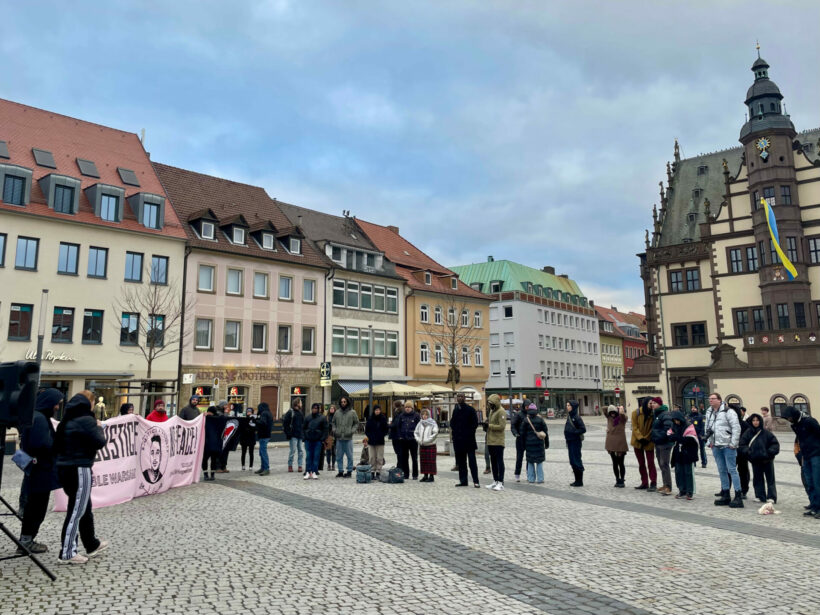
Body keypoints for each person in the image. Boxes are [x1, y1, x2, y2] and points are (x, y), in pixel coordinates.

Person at [54, 392, 108, 564]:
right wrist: (99, 426)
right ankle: (67, 552)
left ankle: (91, 543)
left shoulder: (67, 419)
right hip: (79, 468)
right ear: (89, 403)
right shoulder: (86, 420)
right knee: (76, 510)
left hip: (65, 467)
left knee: (83, 506)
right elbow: (99, 441)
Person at [16, 389, 62, 555]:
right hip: (40, 471)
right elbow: (42, 444)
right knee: (36, 507)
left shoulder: (36, 416)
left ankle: (27, 540)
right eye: (56, 403)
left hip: (38, 470)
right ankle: (26, 541)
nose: (57, 407)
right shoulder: (40, 419)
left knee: (35, 506)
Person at [704, 392, 744, 508]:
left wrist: (733, 443)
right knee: (721, 470)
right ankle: (726, 493)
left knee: (732, 470)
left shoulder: (728, 411)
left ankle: (738, 495)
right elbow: (707, 428)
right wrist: (709, 442)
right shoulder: (709, 412)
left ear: (719, 400)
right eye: (709, 398)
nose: (710, 400)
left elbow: (736, 428)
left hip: (727, 445)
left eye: (713, 398)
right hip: (716, 445)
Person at [781, 405, 820, 517]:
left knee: (817, 482)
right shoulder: (795, 425)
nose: (789, 420)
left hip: (816, 455)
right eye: (787, 418)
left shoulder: (810, 421)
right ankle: (814, 505)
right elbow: (799, 440)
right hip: (806, 456)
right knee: (809, 482)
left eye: (789, 417)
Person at [739, 412, 779, 503]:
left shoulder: (766, 433)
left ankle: (771, 497)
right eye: (753, 420)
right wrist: (749, 453)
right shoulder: (748, 433)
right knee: (757, 478)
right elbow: (742, 445)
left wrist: (769, 453)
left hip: (767, 460)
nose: (755, 422)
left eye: (757, 420)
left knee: (770, 479)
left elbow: (775, 444)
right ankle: (760, 495)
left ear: (760, 421)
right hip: (755, 459)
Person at [451, 392, 480, 488]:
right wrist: (455, 433)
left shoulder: (470, 410)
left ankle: (476, 481)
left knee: (472, 462)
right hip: (459, 441)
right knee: (461, 462)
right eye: (458, 396)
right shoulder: (455, 410)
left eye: (461, 396)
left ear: (464, 398)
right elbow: (452, 423)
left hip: (469, 440)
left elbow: (475, 424)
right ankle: (463, 481)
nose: (459, 398)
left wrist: (468, 433)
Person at [669, 410, 698, 500]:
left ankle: (689, 491)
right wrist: (677, 437)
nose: (676, 422)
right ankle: (682, 490)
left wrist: (678, 437)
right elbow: (670, 436)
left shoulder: (689, 426)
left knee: (688, 472)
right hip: (678, 451)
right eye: (674, 420)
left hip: (688, 452)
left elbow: (690, 439)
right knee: (679, 472)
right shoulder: (674, 426)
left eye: (677, 420)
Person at [631, 398, 657, 491]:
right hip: (637, 441)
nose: (651, 405)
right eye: (650, 403)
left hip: (648, 441)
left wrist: (646, 438)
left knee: (651, 463)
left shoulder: (653, 414)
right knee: (641, 463)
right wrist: (640, 438)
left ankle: (653, 482)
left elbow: (653, 428)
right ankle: (644, 482)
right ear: (645, 403)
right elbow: (634, 427)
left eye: (653, 403)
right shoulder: (636, 413)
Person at [649, 397, 674, 496]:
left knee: (664, 464)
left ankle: (668, 486)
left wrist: (659, 437)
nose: (652, 405)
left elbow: (668, 428)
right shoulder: (657, 414)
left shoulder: (665, 414)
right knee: (661, 464)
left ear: (659, 404)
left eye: (654, 403)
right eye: (652, 403)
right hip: (658, 443)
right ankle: (665, 484)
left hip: (665, 443)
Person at [520, 402, 549, 484]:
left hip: (529, 444)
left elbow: (522, 434)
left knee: (530, 461)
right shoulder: (540, 419)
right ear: (536, 410)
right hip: (539, 443)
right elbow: (546, 432)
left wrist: (523, 445)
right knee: (539, 462)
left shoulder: (526, 420)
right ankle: (540, 479)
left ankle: (531, 479)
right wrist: (546, 444)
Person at [485, 394, 507, 491]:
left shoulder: (501, 411)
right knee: (493, 461)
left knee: (499, 461)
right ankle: (495, 480)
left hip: (498, 441)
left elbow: (502, 427)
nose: (490, 406)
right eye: (489, 404)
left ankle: (501, 482)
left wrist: (490, 426)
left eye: (491, 404)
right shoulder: (491, 411)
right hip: (490, 440)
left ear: (496, 403)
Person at [333, 395, 358, 477]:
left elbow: (356, 423)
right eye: (342, 402)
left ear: (347, 402)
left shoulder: (352, 412)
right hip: (339, 437)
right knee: (339, 456)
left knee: (350, 456)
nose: (343, 403)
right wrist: (335, 430)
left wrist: (352, 431)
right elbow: (333, 422)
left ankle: (349, 471)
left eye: (344, 402)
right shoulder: (337, 412)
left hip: (348, 437)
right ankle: (340, 471)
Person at [395, 401, 421, 480]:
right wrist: (399, 436)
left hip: (413, 440)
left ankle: (415, 474)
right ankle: (406, 474)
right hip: (403, 440)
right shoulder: (401, 416)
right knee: (404, 458)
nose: (407, 409)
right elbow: (398, 426)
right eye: (406, 407)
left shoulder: (416, 415)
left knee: (414, 458)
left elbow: (419, 427)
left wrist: (417, 436)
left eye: (409, 407)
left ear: (412, 408)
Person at [604, 405, 628, 488]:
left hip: (620, 443)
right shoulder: (609, 418)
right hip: (611, 443)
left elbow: (624, 416)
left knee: (621, 463)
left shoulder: (621, 418)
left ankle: (622, 479)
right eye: (611, 413)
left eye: (614, 412)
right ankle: (617, 479)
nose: (612, 414)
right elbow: (604, 408)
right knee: (614, 462)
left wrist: (620, 410)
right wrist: (612, 407)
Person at [303, 402, 329, 480]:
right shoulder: (307, 417)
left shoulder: (322, 418)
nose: (314, 410)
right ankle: (308, 471)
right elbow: (303, 428)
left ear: (318, 409)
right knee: (308, 456)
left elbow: (325, 429)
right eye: (313, 408)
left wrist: (322, 439)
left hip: (317, 440)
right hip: (308, 439)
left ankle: (314, 471)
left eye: (316, 408)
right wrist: (304, 437)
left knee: (316, 457)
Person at [731, 404, 751, 498]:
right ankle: (725, 489)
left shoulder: (744, 424)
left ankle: (744, 490)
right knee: (729, 471)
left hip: (741, 452)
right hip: (730, 450)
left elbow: (748, 439)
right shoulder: (727, 424)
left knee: (743, 471)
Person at [564, 400, 586, 487]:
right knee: (572, 460)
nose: (567, 407)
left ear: (573, 407)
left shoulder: (576, 417)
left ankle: (579, 481)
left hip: (575, 442)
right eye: (567, 405)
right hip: (570, 441)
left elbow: (583, 429)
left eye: (569, 405)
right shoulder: (570, 416)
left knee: (576, 460)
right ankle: (576, 480)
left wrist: (574, 432)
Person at [414, 408, 439, 483]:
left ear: (429, 415)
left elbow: (435, 433)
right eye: (423, 414)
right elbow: (416, 432)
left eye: (426, 414)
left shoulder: (433, 423)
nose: (424, 416)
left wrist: (428, 440)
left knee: (430, 461)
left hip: (430, 445)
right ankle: (425, 475)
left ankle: (431, 476)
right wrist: (418, 440)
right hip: (422, 445)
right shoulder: (420, 423)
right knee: (423, 461)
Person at [202, 406, 226, 481]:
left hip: (210, 442)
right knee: (209, 459)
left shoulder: (214, 419)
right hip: (210, 443)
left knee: (210, 459)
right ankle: (208, 474)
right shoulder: (208, 418)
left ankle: (209, 474)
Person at [365, 404, 388, 478]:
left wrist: (382, 435)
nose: (377, 411)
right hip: (371, 441)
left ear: (380, 411)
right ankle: (372, 471)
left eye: (378, 410)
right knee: (372, 457)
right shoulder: (370, 418)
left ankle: (378, 471)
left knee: (379, 457)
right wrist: (370, 436)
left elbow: (386, 429)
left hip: (380, 441)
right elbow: (367, 430)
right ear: (374, 411)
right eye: (376, 410)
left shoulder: (383, 418)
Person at [283, 398, 305, 473]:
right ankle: (290, 465)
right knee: (293, 451)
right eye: (301, 402)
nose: (301, 403)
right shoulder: (290, 412)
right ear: (297, 403)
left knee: (301, 451)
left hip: (300, 434)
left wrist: (303, 434)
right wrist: (288, 433)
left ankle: (300, 465)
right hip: (293, 435)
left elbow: (303, 424)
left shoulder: (300, 412)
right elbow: (285, 423)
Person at [254, 402, 273, 476]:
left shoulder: (264, 413)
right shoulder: (269, 413)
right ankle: (263, 467)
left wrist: (255, 421)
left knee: (263, 452)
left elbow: (263, 423)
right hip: (266, 435)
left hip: (263, 435)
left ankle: (266, 468)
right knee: (261, 452)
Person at [510, 403, 526, 482]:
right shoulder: (518, 414)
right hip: (520, 438)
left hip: (529, 439)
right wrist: (515, 433)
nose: (527, 408)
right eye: (526, 406)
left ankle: (529, 474)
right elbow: (513, 425)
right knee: (519, 457)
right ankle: (517, 474)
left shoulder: (530, 413)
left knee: (529, 458)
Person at [324, 405, 337, 472]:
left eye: (333, 408)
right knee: (328, 451)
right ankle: (329, 464)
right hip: (328, 436)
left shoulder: (337, 417)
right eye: (330, 408)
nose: (331, 409)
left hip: (335, 436)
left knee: (334, 452)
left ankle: (333, 465)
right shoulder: (327, 417)